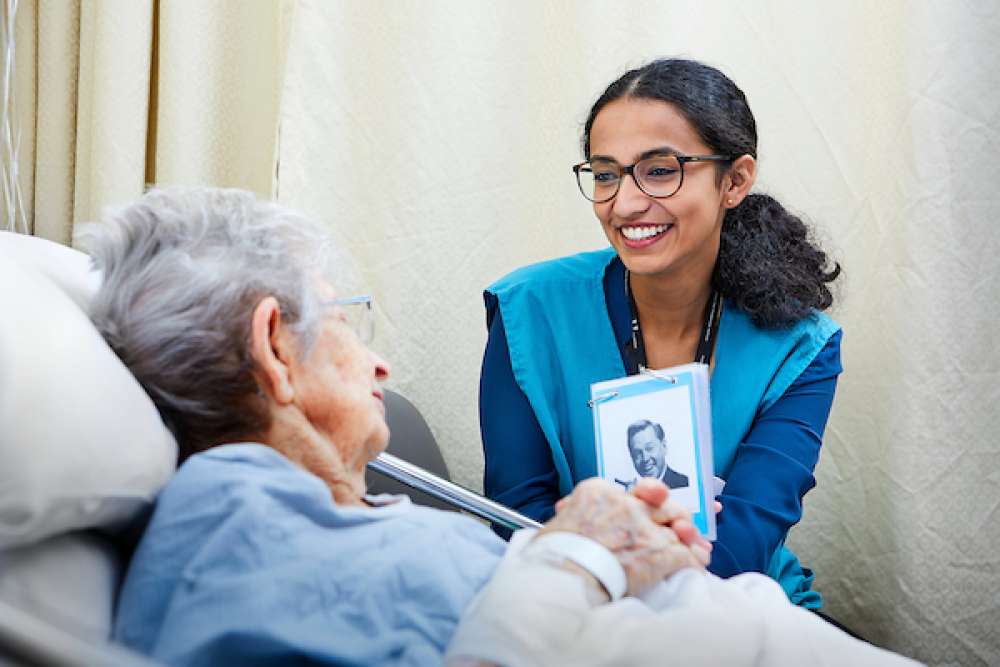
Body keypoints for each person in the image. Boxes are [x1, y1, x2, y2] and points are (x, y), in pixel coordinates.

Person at [91, 188, 914, 666]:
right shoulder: (224, 506)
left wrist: (615, 556)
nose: (379, 367)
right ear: (277, 345)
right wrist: (578, 550)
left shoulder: (314, 515)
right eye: (345, 321)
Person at [479, 58, 843, 610]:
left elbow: (747, 537)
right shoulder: (529, 310)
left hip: (738, 605)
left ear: (735, 180)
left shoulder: (800, 345)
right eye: (605, 174)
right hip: (569, 602)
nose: (624, 204)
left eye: (660, 170)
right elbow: (516, 516)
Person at [626, 419, 689, 489]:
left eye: (649, 448)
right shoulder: (633, 491)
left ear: (664, 446)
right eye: (637, 453)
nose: (645, 458)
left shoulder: (683, 483)